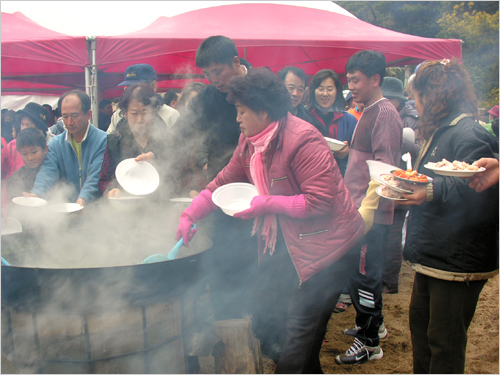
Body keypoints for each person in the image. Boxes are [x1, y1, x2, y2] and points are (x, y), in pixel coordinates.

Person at [176, 68, 365, 373]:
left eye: (241, 111)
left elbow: (320, 202)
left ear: (263, 110)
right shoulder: (251, 142)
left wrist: (264, 203)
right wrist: (190, 213)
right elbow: (222, 182)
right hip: (295, 242)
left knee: (299, 335)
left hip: (331, 249)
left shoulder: (303, 140)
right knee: (298, 334)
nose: (237, 118)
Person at [397, 58, 498, 374]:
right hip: (434, 251)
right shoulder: (441, 129)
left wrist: (428, 191)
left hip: (457, 258)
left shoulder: (468, 133)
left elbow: (478, 194)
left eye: (417, 96)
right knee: (422, 331)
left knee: (445, 342)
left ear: (434, 96)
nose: (415, 103)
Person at [335, 50, 403, 365]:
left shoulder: (384, 113)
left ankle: (370, 342)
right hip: (358, 209)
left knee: (365, 274)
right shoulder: (369, 110)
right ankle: (370, 324)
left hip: (369, 214)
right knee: (361, 272)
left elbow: (385, 167)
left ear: (375, 79)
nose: (351, 86)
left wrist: (366, 211)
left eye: (356, 80)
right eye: (349, 79)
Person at [27, 90, 107, 206]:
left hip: (96, 210)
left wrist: (83, 199)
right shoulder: (55, 144)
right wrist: (37, 194)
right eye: (65, 116)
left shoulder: (103, 141)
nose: (69, 122)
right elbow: (47, 172)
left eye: (75, 116)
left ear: (88, 115)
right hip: (66, 211)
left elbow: (96, 175)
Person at [380, 76, 421, 294]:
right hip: (391, 179)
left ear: (396, 100)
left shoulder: (408, 120)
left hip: (402, 181)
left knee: (394, 233)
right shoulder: (398, 114)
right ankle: (385, 278)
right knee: (387, 232)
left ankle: (389, 282)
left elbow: (415, 148)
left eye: (388, 97)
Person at [98, 83, 171, 198]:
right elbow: (104, 179)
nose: (140, 120)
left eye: (144, 113)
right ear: (125, 114)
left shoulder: (166, 139)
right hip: (125, 209)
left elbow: (178, 174)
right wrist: (111, 190)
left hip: (159, 206)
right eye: (134, 114)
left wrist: (157, 158)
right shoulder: (115, 142)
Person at [306, 69, 358, 177]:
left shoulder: (349, 121)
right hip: (310, 178)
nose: (325, 94)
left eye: (330, 89)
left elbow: (358, 155)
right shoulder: (304, 118)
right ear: (313, 91)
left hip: (339, 179)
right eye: (321, 89)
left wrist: (348, 153)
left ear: (337, 91)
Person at [107, 64, 179, 133]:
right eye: (129, 88)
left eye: (139, 87)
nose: (133, 92)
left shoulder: (171, 115)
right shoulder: (118, 115)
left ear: (153, 86)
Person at [1, 103, 53, 180]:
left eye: (28, 125)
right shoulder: (12, 145)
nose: (24, 129)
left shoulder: (53, 145)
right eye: (22, 125)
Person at [6, 128, 48, 201]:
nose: (30, 158)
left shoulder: (54, 173)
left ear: (45, 149)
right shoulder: (16, 178)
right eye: (24, 154)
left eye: (34, 152)